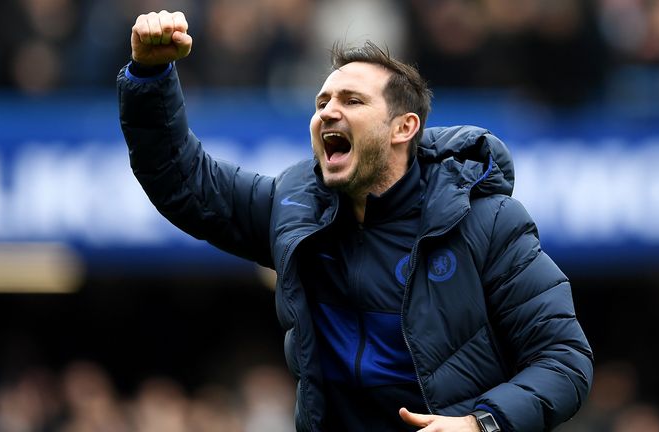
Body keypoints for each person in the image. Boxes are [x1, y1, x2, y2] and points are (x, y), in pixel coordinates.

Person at [117, 10, 594, 432]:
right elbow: (185, 183)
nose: (329, 112)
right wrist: (151, 75)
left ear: (403, 128)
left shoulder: (488, 223)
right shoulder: (294, 208)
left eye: (352, 101)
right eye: (322, 102)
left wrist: (479, 423)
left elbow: (565, 361)